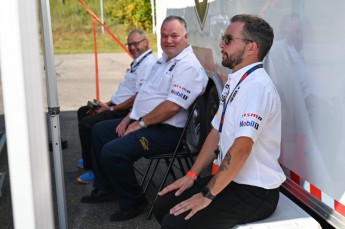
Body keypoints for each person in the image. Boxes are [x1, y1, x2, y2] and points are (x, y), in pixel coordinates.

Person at [154, 14, 286, 229]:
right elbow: (216, 132)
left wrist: (207, 194)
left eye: (228, 39)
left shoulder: (257, 87)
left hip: (256, 192)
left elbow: (242, 148)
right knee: (163, 205)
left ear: (251, 47)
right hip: (234, 181)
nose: (221, 44)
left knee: (174, 223)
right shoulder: (237, 79)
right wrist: (191, 175)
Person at [80, 15, 208, 222]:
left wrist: (139, 124)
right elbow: (145, 92)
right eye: (164, 36)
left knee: (113, 151)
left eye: (174, 35)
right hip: (149, 122)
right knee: (99, 131)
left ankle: (134, 202)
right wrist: (129, 117)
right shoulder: (164, 60)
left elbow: (171, 107)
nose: (169, 40)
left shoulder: (187, 66)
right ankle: (106, 187)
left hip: (169, 133)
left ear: (185, 37)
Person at [76, 29, 156, 184]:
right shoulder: (139, 61)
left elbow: (138, 97)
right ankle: (90, 160)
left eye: (136, 44)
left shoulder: (148, 64)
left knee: (88, 124)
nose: (132, 47)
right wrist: (106, 104)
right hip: (115, 105)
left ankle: (95, 169)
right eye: (130, 44)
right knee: (83, 112)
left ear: (146, 42)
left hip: (125, 111)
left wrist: (111, 108)